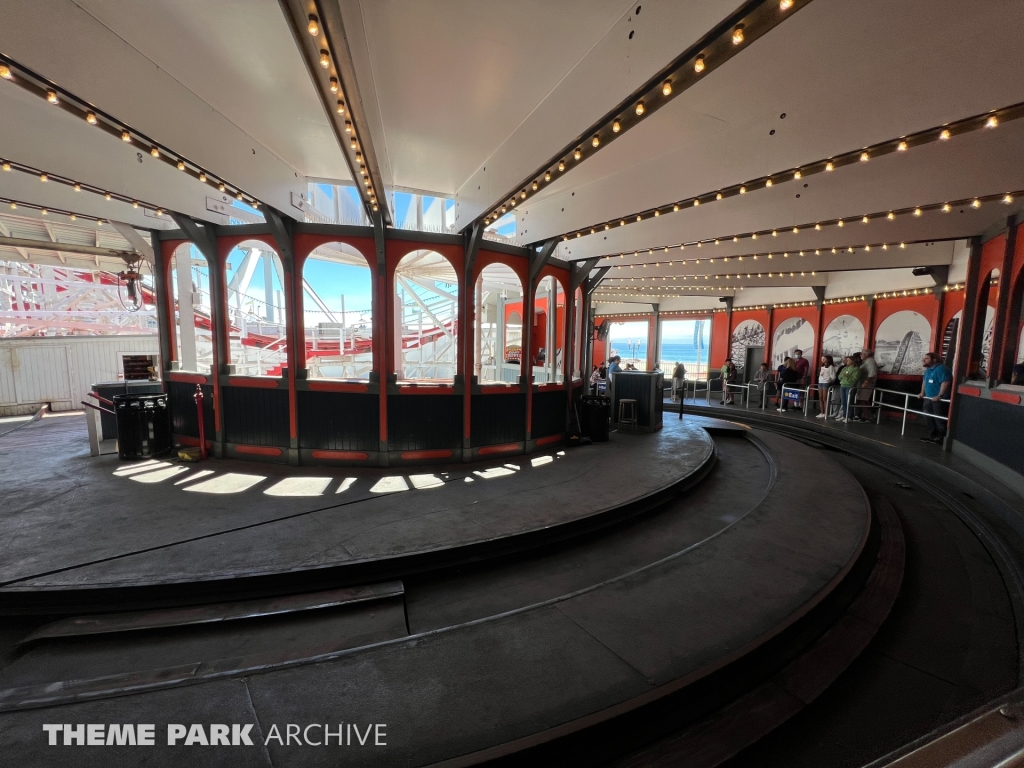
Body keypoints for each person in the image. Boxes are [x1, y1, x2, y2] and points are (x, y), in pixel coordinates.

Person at [919, 352, 953, 443]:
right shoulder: (928, 370)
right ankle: (932, 436)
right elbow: (924, 382)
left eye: (926, 358)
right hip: (928, 398)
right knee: (928, 417)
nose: (924, 360)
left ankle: (941, 438)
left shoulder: (942, 369)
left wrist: (940, 395)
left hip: (939, 400)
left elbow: (945, 382)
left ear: (934, 359)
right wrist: (922, 393)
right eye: (924, 358)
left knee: (939, 418)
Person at [853, 349, 878, 422]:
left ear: (866, 355)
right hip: (862, 383)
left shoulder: (870, 361)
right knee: (863, 400)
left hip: (867, 384)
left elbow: (872, 373)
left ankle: (867, 417)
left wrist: (866, 381)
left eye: (862, 354)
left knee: (863, 400)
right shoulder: (866, 361)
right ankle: (865, 416)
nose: (860, 355)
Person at [836, 355, 862, 422]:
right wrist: (843, 376)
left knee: (849, 401)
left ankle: (850, 416)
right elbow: (839, 377)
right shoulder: (844, 368)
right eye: (846, 360)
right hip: (843, 386)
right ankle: (844, 415)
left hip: (850, 386)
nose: (846, 361)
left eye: (848, 360)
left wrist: (847, 377)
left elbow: (854, 379)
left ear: (853, 361)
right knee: (843, 402)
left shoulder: (856, 369)